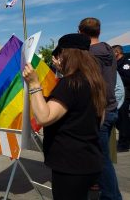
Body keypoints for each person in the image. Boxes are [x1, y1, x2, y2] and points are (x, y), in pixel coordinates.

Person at [23, 33, 105, 199]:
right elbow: (100, 120)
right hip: (89, 160)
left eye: (59, 54)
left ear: (67, 55)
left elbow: (44, 117)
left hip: (70, 164)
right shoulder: (94, 81)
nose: (57, 59)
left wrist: (33, 83)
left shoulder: (71, 83)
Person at [79, 17, 122, 200]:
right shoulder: (109, 51)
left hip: (99, 111)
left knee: (102, 160)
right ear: (100, 31)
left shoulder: (88, 55)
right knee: (101, 158)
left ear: (80, 32)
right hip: (111, 108)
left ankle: (112, 197)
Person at [112, 45, 130, 152]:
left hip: (125, 94)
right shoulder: (115, 64)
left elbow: (128, 78)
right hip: (119, 94)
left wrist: (115, 77)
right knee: (119, 120)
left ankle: (124, 144)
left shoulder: (126, 62)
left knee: (122, 119)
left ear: (117, 52)